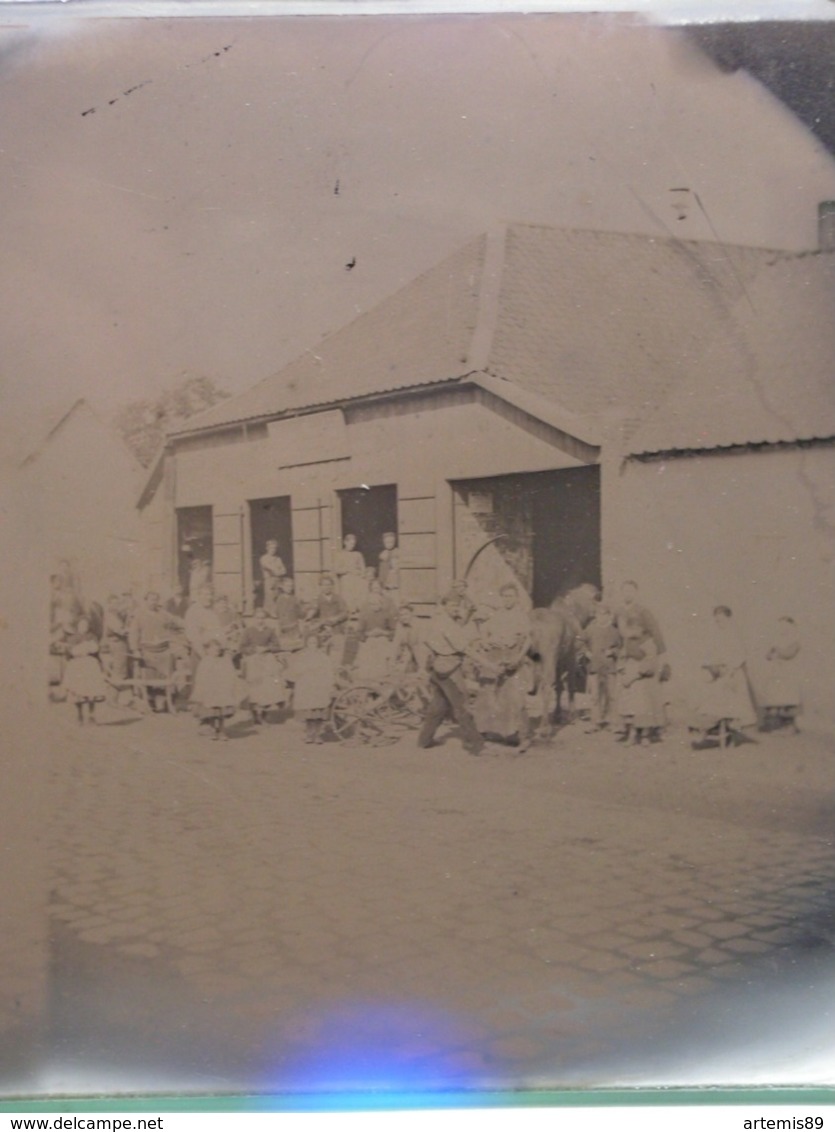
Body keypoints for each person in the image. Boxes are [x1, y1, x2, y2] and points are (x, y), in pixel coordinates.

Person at [417, 593, 487, 757]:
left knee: (438, 706)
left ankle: (424, 741)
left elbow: (426, 641)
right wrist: (487, 663)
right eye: (452, 606)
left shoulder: (436, 620)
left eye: (457, 606)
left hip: (436, 667)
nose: (455, 608)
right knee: (462, 705)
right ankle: (476, 745)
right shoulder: (447, 624)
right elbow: (465, 649)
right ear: (445, 605)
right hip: (449, 669)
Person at [471, 584, 534, 751]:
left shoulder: (521, 617)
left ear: (516, 598)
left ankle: (524, 738)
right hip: (495, 656)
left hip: (513, 658)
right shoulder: (496, 616)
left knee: (516, 698)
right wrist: (486, 642)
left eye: (511, 596)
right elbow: (485, 634)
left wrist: (519, 658)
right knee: (487, 694)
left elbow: (527, 641)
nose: (507, 599)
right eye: (505, 596)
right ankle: (484, 732)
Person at [691, 605, 757, 745]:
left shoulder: (734, 635)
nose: (719, 623)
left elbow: (740, 656)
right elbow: (711, 655)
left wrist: (730, 668)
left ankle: (730, 729)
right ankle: (712, 727)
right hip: (719, 673)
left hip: (733, 674)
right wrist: (711, 666)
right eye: (717, 621)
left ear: (729, 619)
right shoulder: (717, 636)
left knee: (731, 700)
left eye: (722, 620)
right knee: (711, 696)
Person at [128, 591, 183, 711]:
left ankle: (166, 697)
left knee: (169, 666)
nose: (154, 602)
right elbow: (134, 633)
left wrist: (174, 632)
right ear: (146, 600)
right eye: (151, 599)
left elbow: (177, 624)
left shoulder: (163, 614)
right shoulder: (139, 615)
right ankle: (150, 698)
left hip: (163, 650)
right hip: (147, 651)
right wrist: (135, 649)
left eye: (156, 600)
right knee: (148, 673)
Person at [616, 617, 664, 745]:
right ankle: (632, 734)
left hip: (642, 679)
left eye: (634, 629)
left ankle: (645, 735)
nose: (631, 632)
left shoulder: (648, 643)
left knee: (644, 707)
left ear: (641, 629)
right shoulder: (627, 642)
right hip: (629, 676)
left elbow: (650, 662)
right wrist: (622, 671)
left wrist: (635, 675)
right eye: (629, 629)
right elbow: (622, 657)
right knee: (630, 708)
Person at [285, 631, 336, 744]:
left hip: (319, 686)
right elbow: (296, 671)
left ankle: (318, 734)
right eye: (310, 642)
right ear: (306, 644)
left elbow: (329, 672)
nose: (312, 644)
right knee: (308, 712)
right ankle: (309, 734)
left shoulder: (323, 657)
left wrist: (329, 684)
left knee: (318, 712)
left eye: (314, 642)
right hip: (307, 685)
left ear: (318, 643)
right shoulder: (302, 656)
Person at [578, 603, 621, 731]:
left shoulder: (614, 631)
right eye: (599, 614)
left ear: (609, 616)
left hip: (609, 667)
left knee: (612, 695)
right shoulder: (590, 629)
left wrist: (613, 652)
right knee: (594, 696)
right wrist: (586, 652)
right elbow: (580, 641)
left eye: (604, 614)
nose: (601, 617)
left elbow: (621, 647)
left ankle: (612, 722)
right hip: (594, 667)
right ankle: (595, 722)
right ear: (595, 615)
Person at [240, 608, 286, 724]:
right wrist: (254, 649)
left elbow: (277, 646)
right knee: (255, 685)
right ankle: (255, 712)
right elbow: (242, 647)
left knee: (268, 684)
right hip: (253, 659)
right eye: (258, 618)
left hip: (266, 659)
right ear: (254, 619)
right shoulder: (248, 631)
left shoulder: (270, 631)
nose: (260, 620)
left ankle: (264, 712)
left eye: (262, 618)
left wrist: (266, 648)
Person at [191, 636, 242, 741]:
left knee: (222, 713)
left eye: (218, 650)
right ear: (207, 650)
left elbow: (230, 674)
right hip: (210, 690)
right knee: (212, 712)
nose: (216, 652)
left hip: (222, 690)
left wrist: (228, 684)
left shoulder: (224, 661)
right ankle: (213, 729)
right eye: (213, 649)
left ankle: (222, 730)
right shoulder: (205, 662)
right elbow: (200, 677)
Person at [62, 616, 108, 725]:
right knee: (79, 691)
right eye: (82, 625)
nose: (84, 627)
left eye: (86, 625)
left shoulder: (92, 636)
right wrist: (79, 649)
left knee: (91, 690)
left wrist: (88, 648)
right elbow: (70, 652)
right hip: (78, 666)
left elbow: (95, 649)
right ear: (77, 626)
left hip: (90, 665)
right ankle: (80, 715)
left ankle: (92, 715)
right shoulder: (72, 638)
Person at [761, 616, 802, 732]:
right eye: (780, 626)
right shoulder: (777, 640)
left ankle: (789, 725)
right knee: (775, 696)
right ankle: (775, 724)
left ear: (791, 627)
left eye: (785, 626)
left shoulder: (794, 641)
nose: (782, 629)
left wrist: (777, 650)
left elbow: (788, 654)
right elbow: (768, 656)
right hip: (776, 672)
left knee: (787, 697)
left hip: (787, 674)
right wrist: (771, 651)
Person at [354, 581, 398, 679]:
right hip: (369, 641)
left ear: (381, 604)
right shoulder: (365, 615)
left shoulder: (387, 614)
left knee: (382, 655)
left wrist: (383, 633)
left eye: (376, 604)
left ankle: (382, 678)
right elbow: (359, 633)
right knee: (368, 656)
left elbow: (394, 631)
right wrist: (368, 634)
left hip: (383, 641)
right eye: (372, 604)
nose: (374, 606)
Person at [101, 593, 131, 685]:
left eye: (117, 604)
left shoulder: (117, 614)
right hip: (116, 642)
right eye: (113, 604)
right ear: (109, 604)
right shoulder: (110, 615)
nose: (116, 606)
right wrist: (130, 630)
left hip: (117, 641)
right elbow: (119, 630)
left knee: (119, 667)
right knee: (119, 668)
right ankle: (116, 690)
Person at [333, 533, 367, 612]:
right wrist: (347, 570)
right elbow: (336, 569)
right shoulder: (340, 554)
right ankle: (349, 612)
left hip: (357, 579)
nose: (352, 546)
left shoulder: (358, 554)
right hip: (346, 579)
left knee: (361, 590)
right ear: (345, 542)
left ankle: (358, 611)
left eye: (354, 544)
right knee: (348, 596)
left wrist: (360, 573)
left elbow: (363, 569)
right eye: (351, 543)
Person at [274, 575, 305, 651]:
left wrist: (302, 606)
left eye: (291, 586)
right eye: (287, 586)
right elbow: (278, 614)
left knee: (296, 648)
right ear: (283, 587)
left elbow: (301, 614)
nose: (289, 588)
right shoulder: (279, 600)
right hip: (284, 629)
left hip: (294, 629)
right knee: (285, 648)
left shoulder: (295, 599)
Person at [259, 540, 286, 617]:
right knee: (270, 596)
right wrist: (276, 570)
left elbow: (284, 570)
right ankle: (269, 612)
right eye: (271, 548)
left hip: (278, 579)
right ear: (267, 548)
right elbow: (269, 567)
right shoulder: (264, 558)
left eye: (274, 548)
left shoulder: (278, 559)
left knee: (278, 595)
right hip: (269, 579)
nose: (273, 550)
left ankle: (276, 612)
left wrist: (279, 571)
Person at [378, 532, 401, 598]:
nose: (389, 544)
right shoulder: (383, 554)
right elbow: (382, 570)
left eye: (391, 542)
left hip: (395, 576)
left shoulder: (397, 551)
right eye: (387, 543)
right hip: (386, 577)